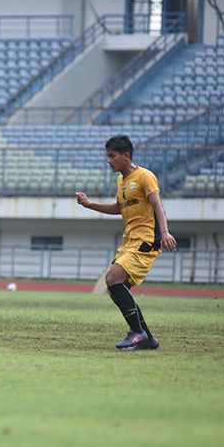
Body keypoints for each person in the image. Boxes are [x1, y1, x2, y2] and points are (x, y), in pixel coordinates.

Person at [76, 134, 176, 350]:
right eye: (107, 156)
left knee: (112, 278)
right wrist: (89, 204)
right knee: (116, 289)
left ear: (126, 155)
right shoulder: (121, 181)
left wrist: (165, 232)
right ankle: (147, 338)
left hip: (147, 240)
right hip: (129, 242)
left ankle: (138, 332)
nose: (109, 160)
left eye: (112, 156)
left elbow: (158, 206)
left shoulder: (145, 177)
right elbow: (119, 209)